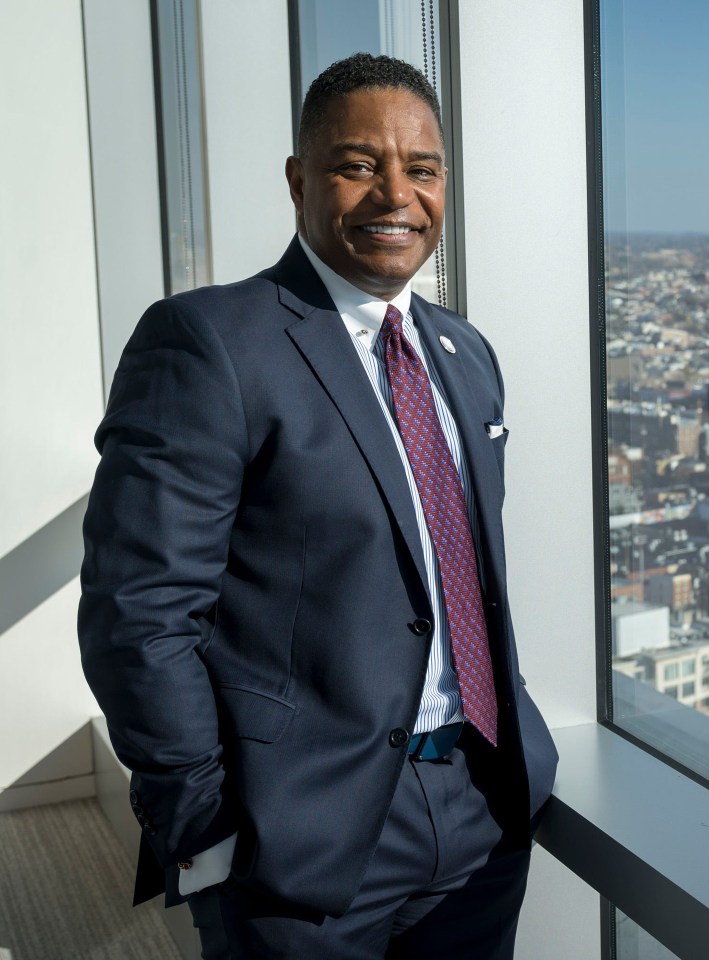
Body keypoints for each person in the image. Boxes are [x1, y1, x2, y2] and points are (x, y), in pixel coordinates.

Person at [78, 53, 557, 958]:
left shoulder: (465, 352)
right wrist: (202, 822)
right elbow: (136, 610)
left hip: (482, 803)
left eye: (422, 170)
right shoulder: (210, 342)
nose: (395, 196)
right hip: (297, 834)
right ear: (300, 179)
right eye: (357, 165)